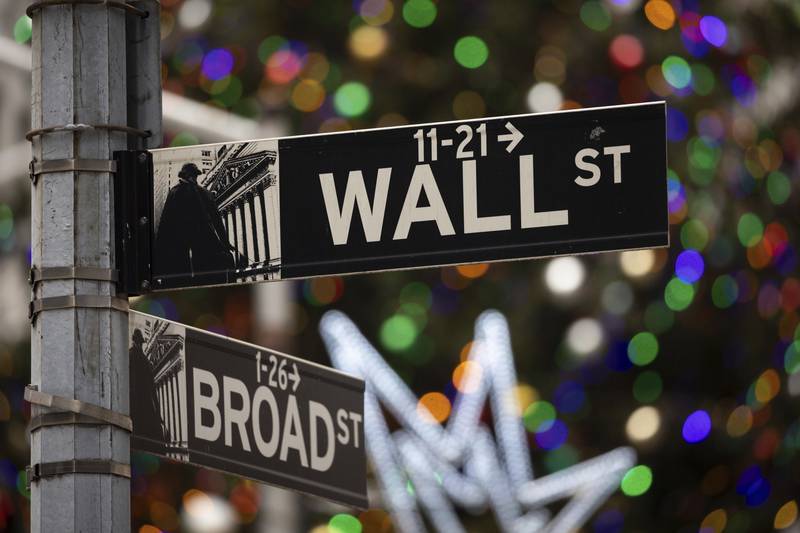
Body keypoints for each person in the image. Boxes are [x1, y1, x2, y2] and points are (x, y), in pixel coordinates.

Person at [154, 162, 235, 284]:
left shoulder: (174, 192)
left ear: (183, 176)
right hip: (203, 244)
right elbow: (217, 221)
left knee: (184, 279)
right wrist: (225, 243)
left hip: (180, 246)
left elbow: (164, 223)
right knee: (206, 278)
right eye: (194, 175)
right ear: (194, 176)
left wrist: (160, 248)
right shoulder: (205, 193)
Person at [129, 328, 167, 452]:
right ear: (135, 341)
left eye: (140, 342)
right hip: (139, 406)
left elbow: (152, 387)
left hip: (141, 406)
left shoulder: (140, 358)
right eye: (138, 342)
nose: (139, 344)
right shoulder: (136, 357)